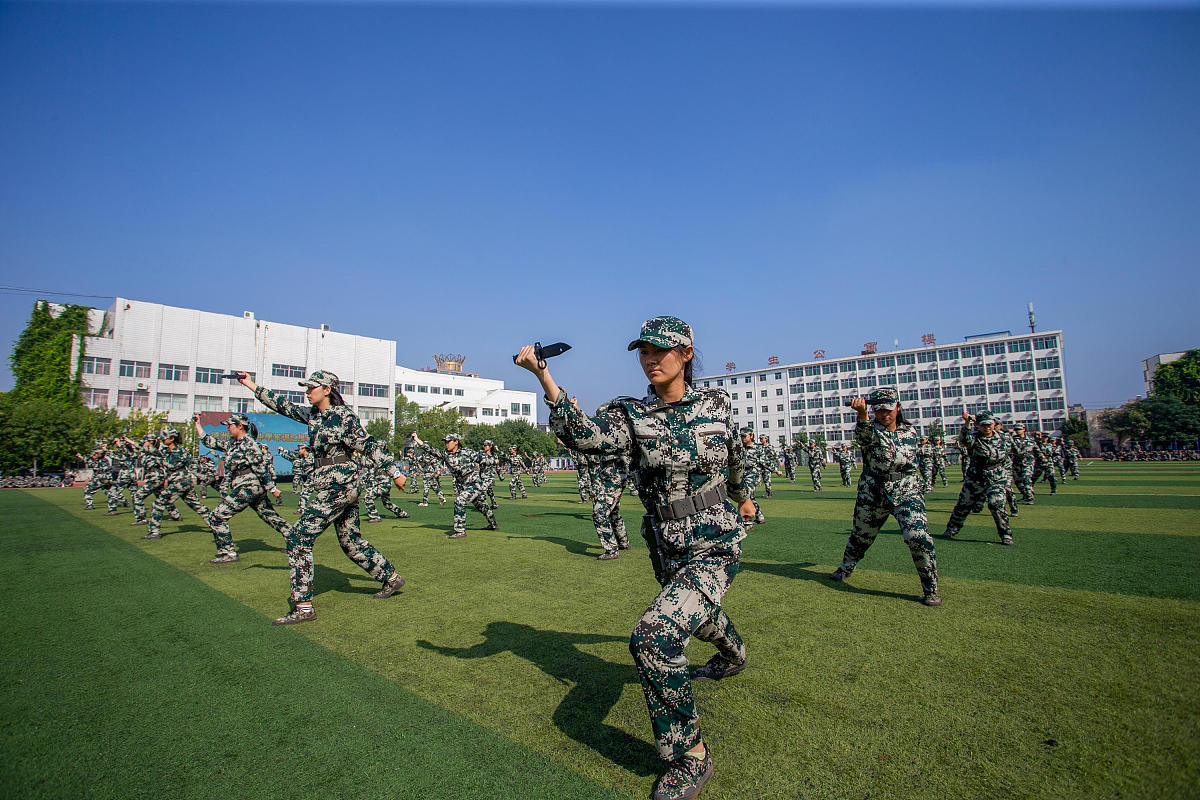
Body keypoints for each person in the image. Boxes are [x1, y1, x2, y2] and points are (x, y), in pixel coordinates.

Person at [518, 316, 755, 800]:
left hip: (716, 540)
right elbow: (584, 437)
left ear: (686, 353)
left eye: (659, 351)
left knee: (653, 637)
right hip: (666, 542)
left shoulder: (717, 403)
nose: (649, 359)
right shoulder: (629, 414)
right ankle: (734, 653)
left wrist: (743, 494)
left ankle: (690, 756)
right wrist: (545, 378)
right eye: (642, 352)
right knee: (697, 615)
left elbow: (731, 454)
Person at [234, 371, 409, 624]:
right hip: (334, 484)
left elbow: (368, 444)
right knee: (350, 541)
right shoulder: (313, 415)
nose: (307, 391)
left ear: (327, 389)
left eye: (312, 387)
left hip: (340, 485)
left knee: (297, 539)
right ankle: (390, 578)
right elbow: (282, 405)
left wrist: (395, 472)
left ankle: (303, 608)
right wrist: (250, 384)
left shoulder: (343, 417)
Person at [829, 388, 940, 605]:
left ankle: (931, 589)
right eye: (879, 410)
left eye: (888, 410)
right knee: (862, 536)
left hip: (906, 490)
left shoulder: (910, 432)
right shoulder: (870, 430)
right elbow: (862, 437)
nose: (884, 414)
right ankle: (846, 567)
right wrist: (862, 415)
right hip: (874, 491)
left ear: (898, 408)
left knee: (918, 537)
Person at [196, 413, 290, 562]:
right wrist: (198, 425)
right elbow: (211, 442)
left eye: (230, 425)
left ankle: (228, 553)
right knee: (270, 516)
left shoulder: (249, 444)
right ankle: (295, 540)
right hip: (246, 486)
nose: (227, 428)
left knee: (216, 517)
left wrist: (273, 488)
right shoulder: (233, 443)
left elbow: (260, 467)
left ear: (240, 426)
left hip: (249, 487)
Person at [942, 410, 1013, 545]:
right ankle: (951, 529)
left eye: (989, 424)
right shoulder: (973, 437)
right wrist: (967, 423)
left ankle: (1005, 534)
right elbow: (964, 440)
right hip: (976, 476)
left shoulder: (1004, 437)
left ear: (994, 423)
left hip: (997, 476)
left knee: (996, 504)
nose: (987, 427)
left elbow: (1010, 453)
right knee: (964, 504)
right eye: (983, 425)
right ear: (978, 425)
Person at [411, 432, 497, 538]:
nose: (446, 444)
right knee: (482, 506)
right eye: (445, 442)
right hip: (462, 485)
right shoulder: (445, 454)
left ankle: (460, 531)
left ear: (456, 442)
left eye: (448, 441)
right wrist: (417, 439)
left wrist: (494, 461)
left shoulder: (467, 452)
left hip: (474, 483)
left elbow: (483, 459)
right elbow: (430, 449)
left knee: (459, 501)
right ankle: (493, 524)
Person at [143, 427, 214, 540]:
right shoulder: (165, 451)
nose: (162, 440)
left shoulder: (181, 451)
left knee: (159, 503)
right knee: (197, 506)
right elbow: (150, 450)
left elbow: (191, 467)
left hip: (180, 482)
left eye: (164, 437)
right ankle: (216, 524)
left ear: (171, 439)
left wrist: (204, 477)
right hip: (181, 482)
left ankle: (154, 532)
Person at [589, 437, 632, 560]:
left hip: (614, 480)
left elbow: (628, 458)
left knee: (599, 513)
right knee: (613, 512)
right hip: (607, 479)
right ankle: (623, 542)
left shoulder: (617, 433)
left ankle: (612, 550)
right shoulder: (603, 433)